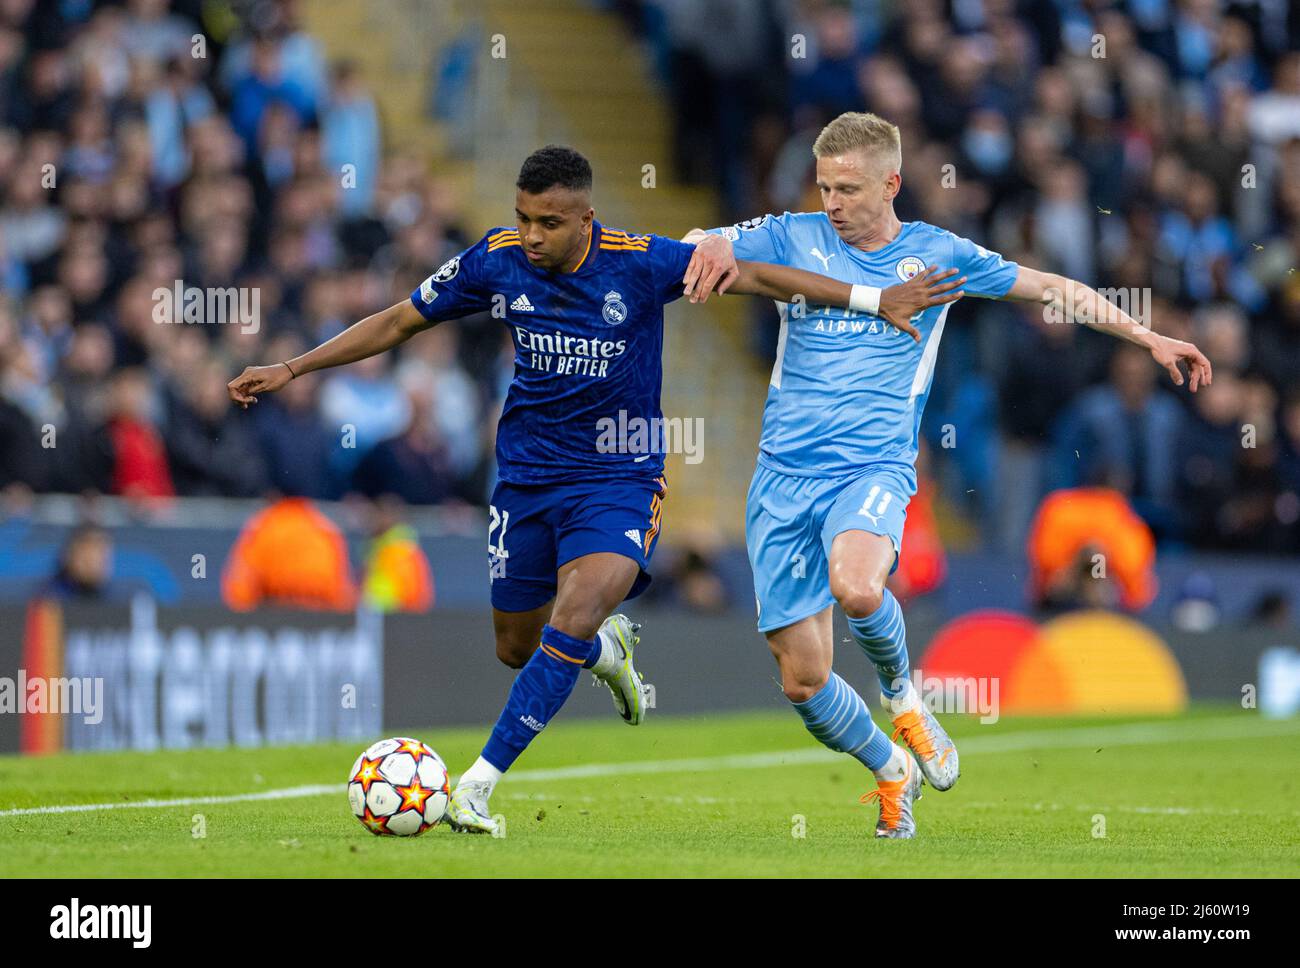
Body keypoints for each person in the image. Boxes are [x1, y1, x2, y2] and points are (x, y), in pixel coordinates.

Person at [227, 144, 962, 833]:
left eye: (548, 223)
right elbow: (398, 321)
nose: (532, 236)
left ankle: (478, 785)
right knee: (519, 646)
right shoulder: (497, 260)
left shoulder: (640, 264)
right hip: (525, 479)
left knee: (576, 609)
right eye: (523, 218)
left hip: (621, 472)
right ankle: (605, 650)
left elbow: (760, 277)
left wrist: (873, 301)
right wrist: (292, 369)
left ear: (586, 218)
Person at [680, 111, 1212, 838]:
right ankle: (890, 768)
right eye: (825, 187)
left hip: (873, 464)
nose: (832, 202)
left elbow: (1048, 287)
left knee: (858, 583)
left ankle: (905, 700)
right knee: (803, 682)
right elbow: (693, 248)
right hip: (781, 476)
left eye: (848, 189)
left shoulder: (936, 257)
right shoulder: (790, 234)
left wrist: (1145, 334)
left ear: (891, 183)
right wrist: (706, 239)